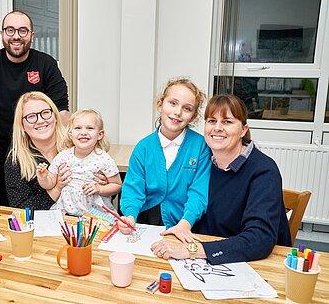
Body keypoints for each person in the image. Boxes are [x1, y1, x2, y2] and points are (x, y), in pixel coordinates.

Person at [150, 94, 291, 264]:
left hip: (252, 264)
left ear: (243, 130)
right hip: (200, 256)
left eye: (227, 122)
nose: (217, 128)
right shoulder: (201, 161)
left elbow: (259, 239)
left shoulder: (264, 170)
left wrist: (192, 251)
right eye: (211, 121)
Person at [0, 10, 69, 207]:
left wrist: (70, 150)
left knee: (57, 200)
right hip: (1, 153)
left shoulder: (46, 65)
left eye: (23, 31)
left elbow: (62, 110)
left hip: (41, 152)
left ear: (32, 36)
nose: (16, 36)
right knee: (12, 207)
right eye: (10, 30)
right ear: (2, 35)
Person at [119, 77, 211, 243]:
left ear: (193, 116)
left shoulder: (201, 147)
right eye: (173, 103)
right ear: (160, 104)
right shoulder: (143, 148)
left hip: (185, 223)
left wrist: (186, 222)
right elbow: (133, 189)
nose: (178, 112)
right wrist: (130, 216)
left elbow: (199, 192)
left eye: (187, 108)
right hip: (146, 221)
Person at [37, 109, 122, 216]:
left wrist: (99, 189)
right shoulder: (62, 157)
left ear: (100, 135)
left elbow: (117, 185)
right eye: (77, 128)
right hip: (66, 212)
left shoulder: (104, 159)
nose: (83, 132)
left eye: (90, 128)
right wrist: (43, 178)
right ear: (70, 134)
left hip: (96, 214)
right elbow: (49, 184)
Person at [4, 92, 71, 210]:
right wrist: (56, 189)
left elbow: (109, 191)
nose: (40, 121)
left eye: (45, 113)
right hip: (44, 225)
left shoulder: (75, 145)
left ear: (55, 116)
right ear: (22, 125)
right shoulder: (16, 162)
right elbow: (23, 209)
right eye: (31, 116)